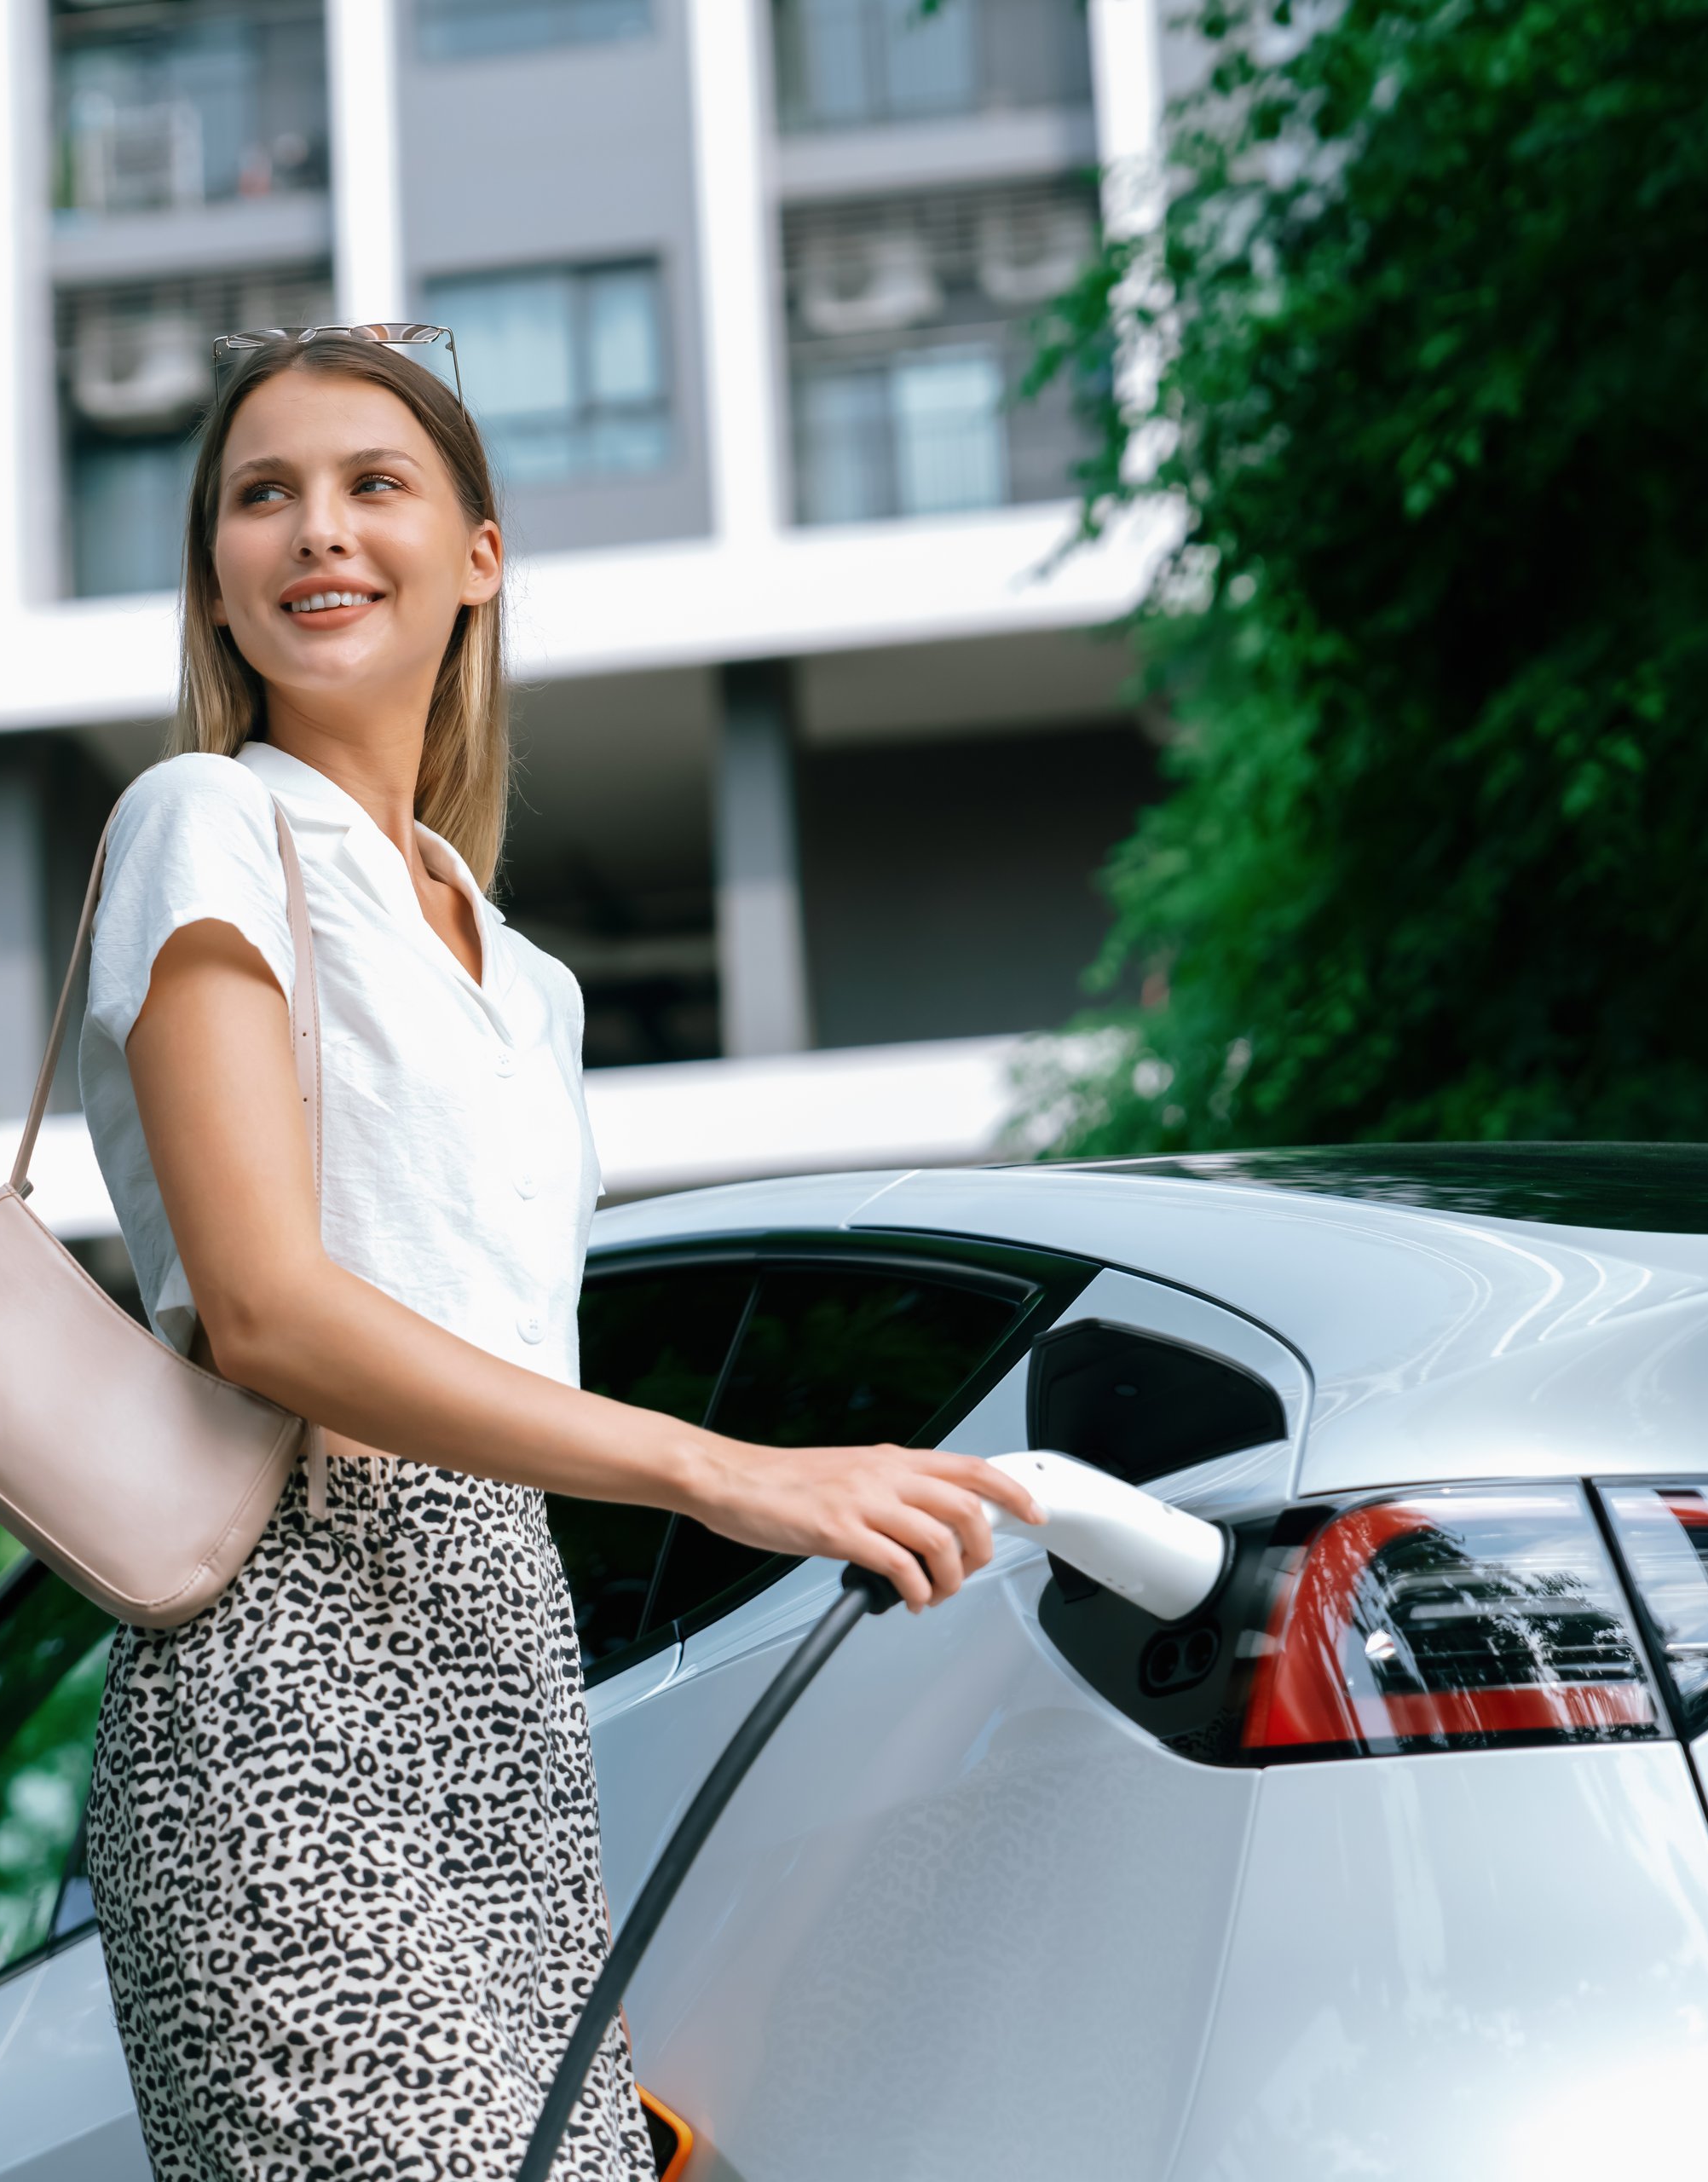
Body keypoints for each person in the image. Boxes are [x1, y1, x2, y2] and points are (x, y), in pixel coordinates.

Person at [75, 324, 1043, 2182]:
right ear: (216, 574)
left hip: (508, 1676)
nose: (315, 532)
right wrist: (724, 1469)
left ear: (480, 553)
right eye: (260, 496)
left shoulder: (527, 978)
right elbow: (269, 1305)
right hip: (282, 1674)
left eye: (375, 484)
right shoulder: (201, 820)